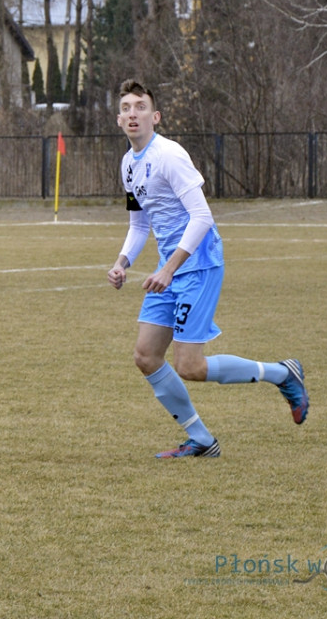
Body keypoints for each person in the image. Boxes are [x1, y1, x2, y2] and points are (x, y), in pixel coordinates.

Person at [106, 80, 308, 458]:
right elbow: (139, 225)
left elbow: (202, 217)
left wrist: (169, 269)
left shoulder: (169, 155)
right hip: (171, 267)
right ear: (119, 119)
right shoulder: (128, 164)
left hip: (197, 262)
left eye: (141, 107)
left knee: (190, 366)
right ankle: (200, 439)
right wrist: (122, 263)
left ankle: (283, 373)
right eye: (127, 108)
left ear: (156, 116)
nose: (134, 113)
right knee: (146, 356)